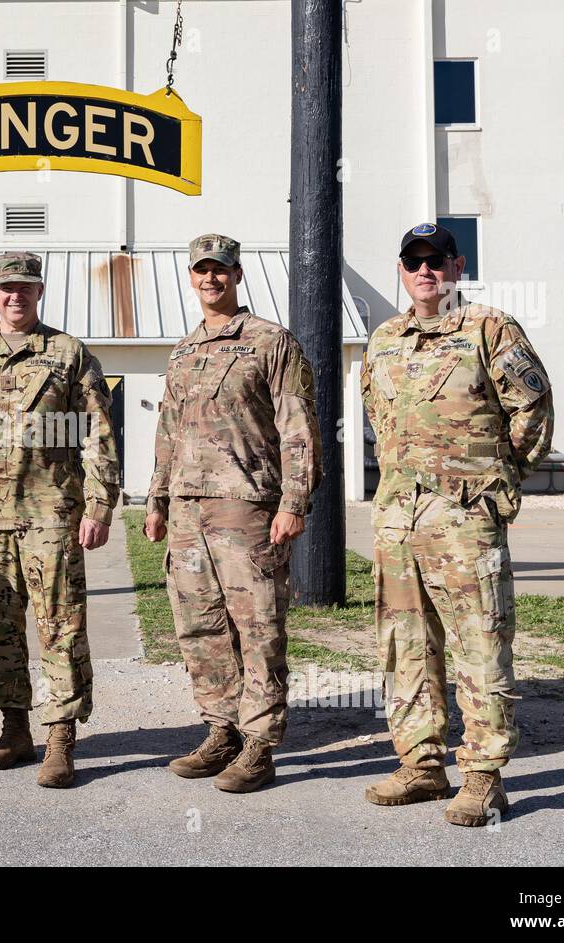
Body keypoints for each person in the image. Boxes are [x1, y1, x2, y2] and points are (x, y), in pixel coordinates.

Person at [361, 222, 553, 826]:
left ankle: (482, 777)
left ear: (457, 266)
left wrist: (496, 484)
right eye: (414, 261)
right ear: (401, 270)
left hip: (466, 519)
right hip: (398, 517)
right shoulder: (384, 339)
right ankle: (421, 765)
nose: (426, 271)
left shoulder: (489, 328)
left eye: (436, 260)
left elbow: (533, 409)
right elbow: (378, 418)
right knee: (406, 645)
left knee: (480, 642)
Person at [0, 252, 120, 789]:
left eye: (26, 287)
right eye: (7, 287)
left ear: (40, 291)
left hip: (51, 514)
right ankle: (14, 727)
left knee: (61, 625)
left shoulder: (68, 354)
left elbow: (97, 432)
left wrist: (100, 504)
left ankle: (60, 737)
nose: (16, 296)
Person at [144, 233, 322, 794]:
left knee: (258, 626)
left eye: (220, 269)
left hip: (247, 507)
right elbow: (168, 430)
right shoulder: (183, 351)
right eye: (201, 270)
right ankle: (220, 729)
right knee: (200, 626)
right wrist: (157, 498)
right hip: (186, 511)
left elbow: (299, 426)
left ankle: (260, 745)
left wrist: (294, 501)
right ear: (191, 277)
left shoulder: (271, 341)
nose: (210, 279)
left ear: (237, 275)